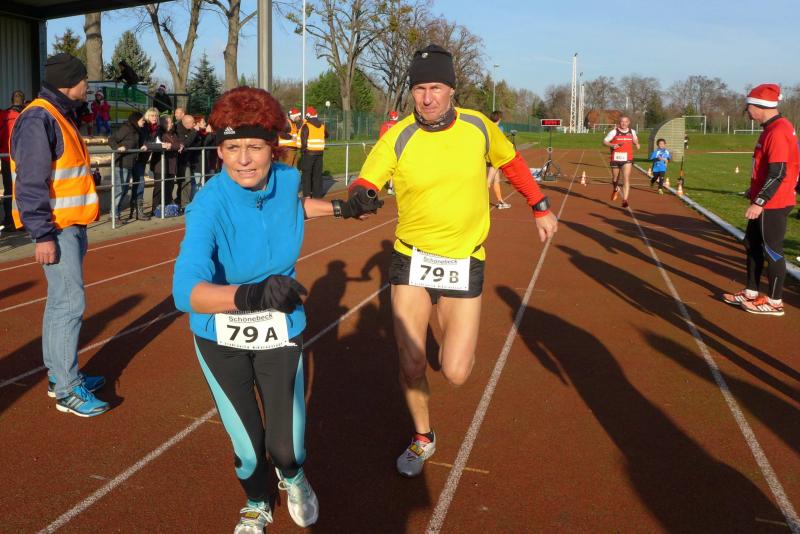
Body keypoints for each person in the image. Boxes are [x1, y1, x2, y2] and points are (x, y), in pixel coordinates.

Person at [172, 86, 382, 533]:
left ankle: (294, 477)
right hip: (219, 336)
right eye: (232, 148)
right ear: (219, 151)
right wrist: (251, 295)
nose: (244, 160)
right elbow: (185, 291)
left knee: (288, 450)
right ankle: (255, 502)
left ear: (274, 148)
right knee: (249, 448)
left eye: (255, 147)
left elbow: (293, 206)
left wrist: (343, 208)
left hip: (280, 328)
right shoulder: (207, 205)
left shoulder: (286, 181)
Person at [349, 44, 557, 477]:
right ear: (411, 92)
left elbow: (512, 162)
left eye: (436, 88)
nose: (427, 98)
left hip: (464, 260)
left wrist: (539, 206)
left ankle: (446, 330)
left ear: (451, 90)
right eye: (419, 89)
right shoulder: (398, 135)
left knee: (457, 372)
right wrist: (361, 194)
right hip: (412, 258)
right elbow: (367, 178)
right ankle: (423, 435)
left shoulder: (479, 126)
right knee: (411, 363)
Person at [10, 53, 107, 416]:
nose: (88, 85)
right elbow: (30, 182)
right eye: (84, 79)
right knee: (69, 304)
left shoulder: (56, 114)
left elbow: (58, 173)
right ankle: (67, 389)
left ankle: (59, 376)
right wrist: (43, 234)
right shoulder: (40, 117)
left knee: (60, 302)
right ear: (69, 81)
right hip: (57, 228)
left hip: (67, 224)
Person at [722, 84, 799, 316]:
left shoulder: (777, 131)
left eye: (748, 107)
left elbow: (778, 172)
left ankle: (775, 302)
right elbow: (767, 168)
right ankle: (751, 292)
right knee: (752, 243)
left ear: (760, 107)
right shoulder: (770, 128)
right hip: (766, 198)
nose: (747, 111)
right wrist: (754, 189)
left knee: (772, 250)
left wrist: (760, 201)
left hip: (774, 202)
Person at [108, 111, 147, 224]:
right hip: (121, 163)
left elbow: (134, 144)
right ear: (136, 120)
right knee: (119, 190)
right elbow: (111, 139)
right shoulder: (127, 128)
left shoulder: (136, 131)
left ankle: (116, 214)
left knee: (124, 190)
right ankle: (114, 215)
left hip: (130, 163)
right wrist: (118, 148)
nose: (144, 122)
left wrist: (143, 146)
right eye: (142, 120)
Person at [602, 115, 640, 208]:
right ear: (620, 122)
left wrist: (636, 143)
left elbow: (635, 139)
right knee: (615, 178)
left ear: (629, 122)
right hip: (615, 158)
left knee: (626, 178)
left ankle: (625, 200)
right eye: (622, 121)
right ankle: (615, 189)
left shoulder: (632, 131)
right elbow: (604, 141)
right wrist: (612, 145)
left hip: (627, 158)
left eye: (626, 121)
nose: (624, 123)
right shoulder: (614, 132)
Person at [1, 89, 25, 228]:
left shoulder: (4, 115)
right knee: (24, 189)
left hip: (6, 157)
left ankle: (9, 220)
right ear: (23, 101)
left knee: (9, 190)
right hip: (23, 157)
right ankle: (22, 221)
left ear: (11, 100)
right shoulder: (27, 115)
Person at [148, 114, 179, 215]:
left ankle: (167, 208)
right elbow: (155, 145)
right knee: (159, 187)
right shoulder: (158, 133)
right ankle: (155, 209)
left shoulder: (173, 133)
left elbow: (178, 144)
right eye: (169, 122)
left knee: (169, 187)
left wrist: (171, 146)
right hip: (159, 165)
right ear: (164, 123)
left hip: (171, 164)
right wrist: (165, 146)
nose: (172, 124)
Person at [299, 106, 328, 199]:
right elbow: (326, 135)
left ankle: (307, 194)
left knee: (306, 174)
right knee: (317, 174)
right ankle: (317, 195)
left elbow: (304, 141)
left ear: (308, 115)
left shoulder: (306, 126)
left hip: (309, 153)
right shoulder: (322, 126)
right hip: (320, 153)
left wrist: (302, 151)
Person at [487, 110, 511, 209]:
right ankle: (479, 202)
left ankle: (500, 201)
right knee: (489, 181)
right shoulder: (498, 128)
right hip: (494, 157)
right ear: (499, 118)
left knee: (496, 180)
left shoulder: (488, 126)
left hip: (489, 156)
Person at [175, 113, 200, 207]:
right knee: (185, 182)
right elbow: (186, 143)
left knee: (185, 182)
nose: (194, 124)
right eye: (193, 123)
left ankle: (181, 202)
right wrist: (194, 132)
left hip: (189, 160)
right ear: (186, 123)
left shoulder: (190, 130)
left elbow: (198, 143)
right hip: (181, 160)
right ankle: (184, 204)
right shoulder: (179, 130)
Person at [378, 110, 400, 195]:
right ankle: (390, 188)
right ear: (395, 117)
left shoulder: (384, 125)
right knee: (393, 169)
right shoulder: (398, 126)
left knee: (382, 166)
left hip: (384, 148)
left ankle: (378, 183)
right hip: (393, 149)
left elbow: (380, 138)